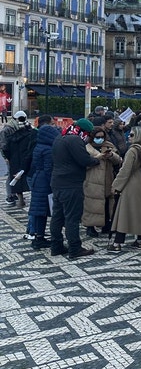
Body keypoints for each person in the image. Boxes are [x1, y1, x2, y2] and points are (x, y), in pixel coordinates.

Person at [49, 119, 102, 258]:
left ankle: (56, 246)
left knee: (57, 216)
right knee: (72, 217)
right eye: (89, 134)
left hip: (57, 182)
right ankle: (75, 248)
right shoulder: (75, 140)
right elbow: (84, 160)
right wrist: (98, 159)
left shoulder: (60, 137)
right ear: (84, 132)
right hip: (71, 184)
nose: (88, 138)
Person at [109, 127, 141, 252]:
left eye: (131, 135)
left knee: (124, 214)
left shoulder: (132, 151)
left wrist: (116, 185)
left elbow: (125, 170)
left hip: (132, 185)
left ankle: (117, 242)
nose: (128, 137)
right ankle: (140, 240)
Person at [82, 126, 122, 238]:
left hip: (108, 178)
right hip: (92, 179)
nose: (100, 139)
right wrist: (98, 157)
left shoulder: (109, 145)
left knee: (107, 202)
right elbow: (84, 164)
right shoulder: (86, 148)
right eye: (97, 137)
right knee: (92, 204)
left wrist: (111, 155)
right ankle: (90, 226)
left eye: (102, 137)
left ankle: (106, 224)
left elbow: (118, 161)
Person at [27, 116, 60, 249]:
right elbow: (49, 169)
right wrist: (54, 184)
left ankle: (37, 236)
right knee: (43, 211)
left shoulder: (39, 146)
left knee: (38, 211)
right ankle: (40, 238)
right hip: (44, 183)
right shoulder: (48, 150)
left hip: (37, 180)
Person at [3, 110, 37, 208]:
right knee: (29, 177)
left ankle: (20, 199)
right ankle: (23, 198)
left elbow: (5, 147)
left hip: (14, 159)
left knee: (16, 178)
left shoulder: (11, 133)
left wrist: (8, 157)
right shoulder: (30, 131)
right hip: (26, 157)